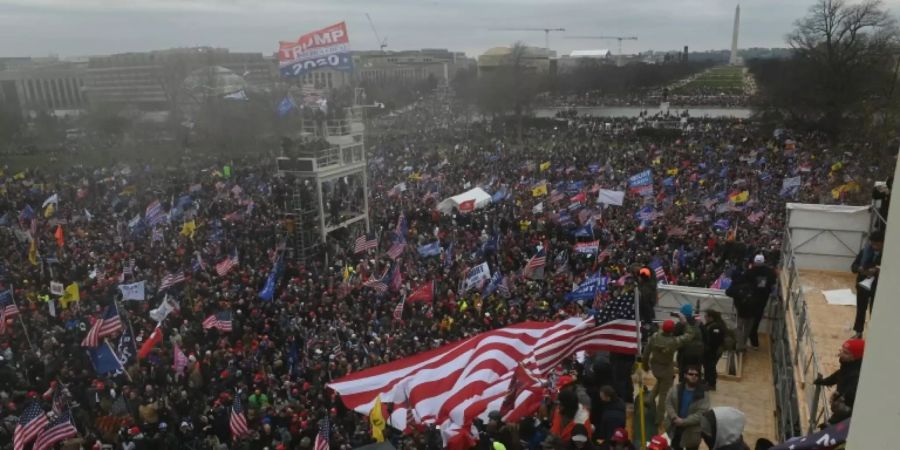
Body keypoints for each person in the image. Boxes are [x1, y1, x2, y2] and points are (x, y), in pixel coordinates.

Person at [642, 315, 696, 429]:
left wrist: (645, 365)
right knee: (664, 395)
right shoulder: (674, 341)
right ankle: (659, 419)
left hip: (655, 366)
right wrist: (685, 322)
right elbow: (690, 335)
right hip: (666, 368)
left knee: (660, 383)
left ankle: (650, 399)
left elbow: (646, 352)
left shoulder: (654, 337)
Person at [729, 255, 776, 350]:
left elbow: (735, 287)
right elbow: (771, 285)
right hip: (761, 302)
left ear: (754, 262)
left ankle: (742, 344)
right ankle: (752, 343)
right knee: (752, 325)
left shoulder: (749, 272)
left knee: (742, 326)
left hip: (747, 304)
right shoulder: (769, 272)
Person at [814, 338, 864, 421]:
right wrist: (824, 382)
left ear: (854, 357)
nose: (840, 354)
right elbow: (839, 374)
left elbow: (848, 404)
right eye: (842, 350)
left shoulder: (856, 376)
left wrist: (830, 423)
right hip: (841, 405)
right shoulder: (849, 365)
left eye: (846, 353)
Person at [665, 365, 710, 450]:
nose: (693, 376)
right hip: (675, 427)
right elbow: (668, 403)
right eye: (691, 374)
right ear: (685, 375)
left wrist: (683, 421)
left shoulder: (704, 394)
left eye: (696, 375)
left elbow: (701, 414)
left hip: (692, 430)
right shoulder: (676, 389)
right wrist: (674, 417)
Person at [850, 231, 883, 336]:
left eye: (877, 244)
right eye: (872, 244)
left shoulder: (887, 256)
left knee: (875, 312)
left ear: (882, 243)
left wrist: (877, 271)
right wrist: (860, 269)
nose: (874, 247)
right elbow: (853, 267)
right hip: (863, 286)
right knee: (861, 310)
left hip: (877, 288)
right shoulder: (865, 251)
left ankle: (875, 335)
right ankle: (858, 332)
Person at [700, 310, 731, 391]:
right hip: (709, 350)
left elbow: (714, 342)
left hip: (713, 351)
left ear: (711, 317)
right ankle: (707, 380)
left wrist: (708, 349)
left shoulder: (716, 327)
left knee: (711, 366)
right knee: (707, 366)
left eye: (706, 316)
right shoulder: (710, 325)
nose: (705, 317)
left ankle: (711, 384)